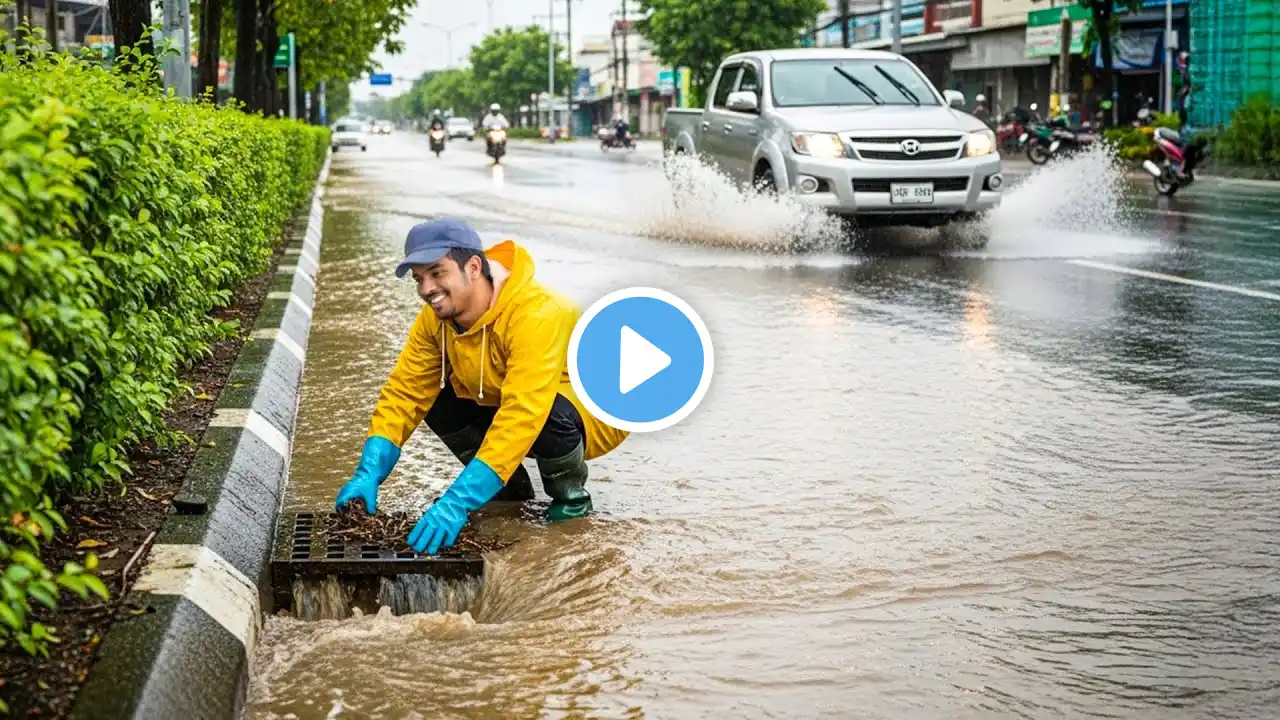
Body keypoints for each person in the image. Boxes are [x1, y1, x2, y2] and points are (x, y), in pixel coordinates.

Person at [333, 218, 630, 555]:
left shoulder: (534, 314)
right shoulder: (435, 319)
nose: (426, 289)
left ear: (473, 267)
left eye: (437, 273)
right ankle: (507, 491)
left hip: (589, 410)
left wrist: (456, 502)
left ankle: (571, 501)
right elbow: (405, 390)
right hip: (503, 395)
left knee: (545, 414)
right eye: (419, 279)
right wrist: (369, 471)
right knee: (436, 401)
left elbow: (523, 414)